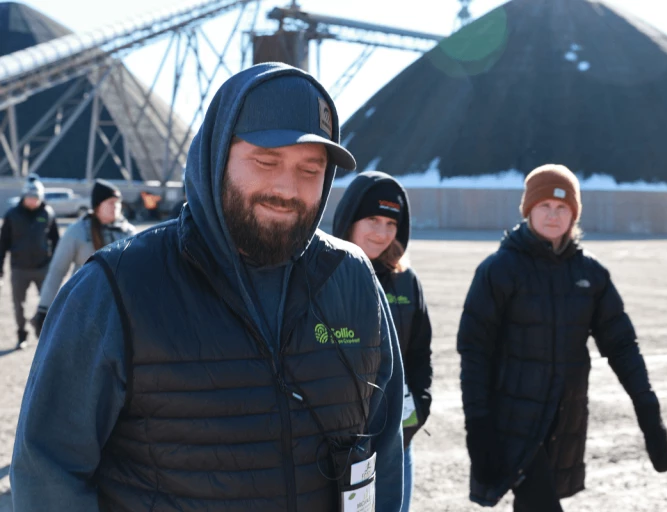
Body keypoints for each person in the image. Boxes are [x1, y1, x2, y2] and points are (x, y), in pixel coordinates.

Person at [12, 63, 404, 512]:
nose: (286, 188)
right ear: (217, 157)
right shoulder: (116, 287)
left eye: (310, 170)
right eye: (265, 160)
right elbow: (49, 472)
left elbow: (383, 448)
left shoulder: (352, 278)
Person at [457, 164, 667, 510]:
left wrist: (647, 409)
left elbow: (621, 346)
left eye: (562, 208)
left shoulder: (590, 274)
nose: (553, 215)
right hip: (513, 421)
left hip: (564, 421)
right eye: (544, 206)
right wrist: (477, 427)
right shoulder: (499, 270)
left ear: (574, 214)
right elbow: (474, 350)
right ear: (528, 210)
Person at [333, 171, 433, 512]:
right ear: (349, 219)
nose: (381, 232)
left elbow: (421, 353)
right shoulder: (321, 274)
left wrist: (419, 406)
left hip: (397, 439)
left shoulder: (406, 281)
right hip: (337, 446)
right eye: (373, 219)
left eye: (391, 224)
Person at [31, 179, 135, 336]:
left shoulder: (129, 233)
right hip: (83, 308)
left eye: (118, 203)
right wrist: (43, 309)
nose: (115, 207)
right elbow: (57, 271)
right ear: (97, 206)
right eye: (110, 203)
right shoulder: (77, 231)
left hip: (120, 309)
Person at [0, 175, 59, 349]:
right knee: (19, 305)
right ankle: (21, 335)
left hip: (43, 267)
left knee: (49, 302)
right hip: (19, 268)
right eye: (31, 197)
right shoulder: (12, 215)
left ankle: (43, 332)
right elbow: (3, 243)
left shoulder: (47, 213)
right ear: (24, 196)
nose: (34, 201)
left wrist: (57, 266)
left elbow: (56, 241)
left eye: (37, 198)